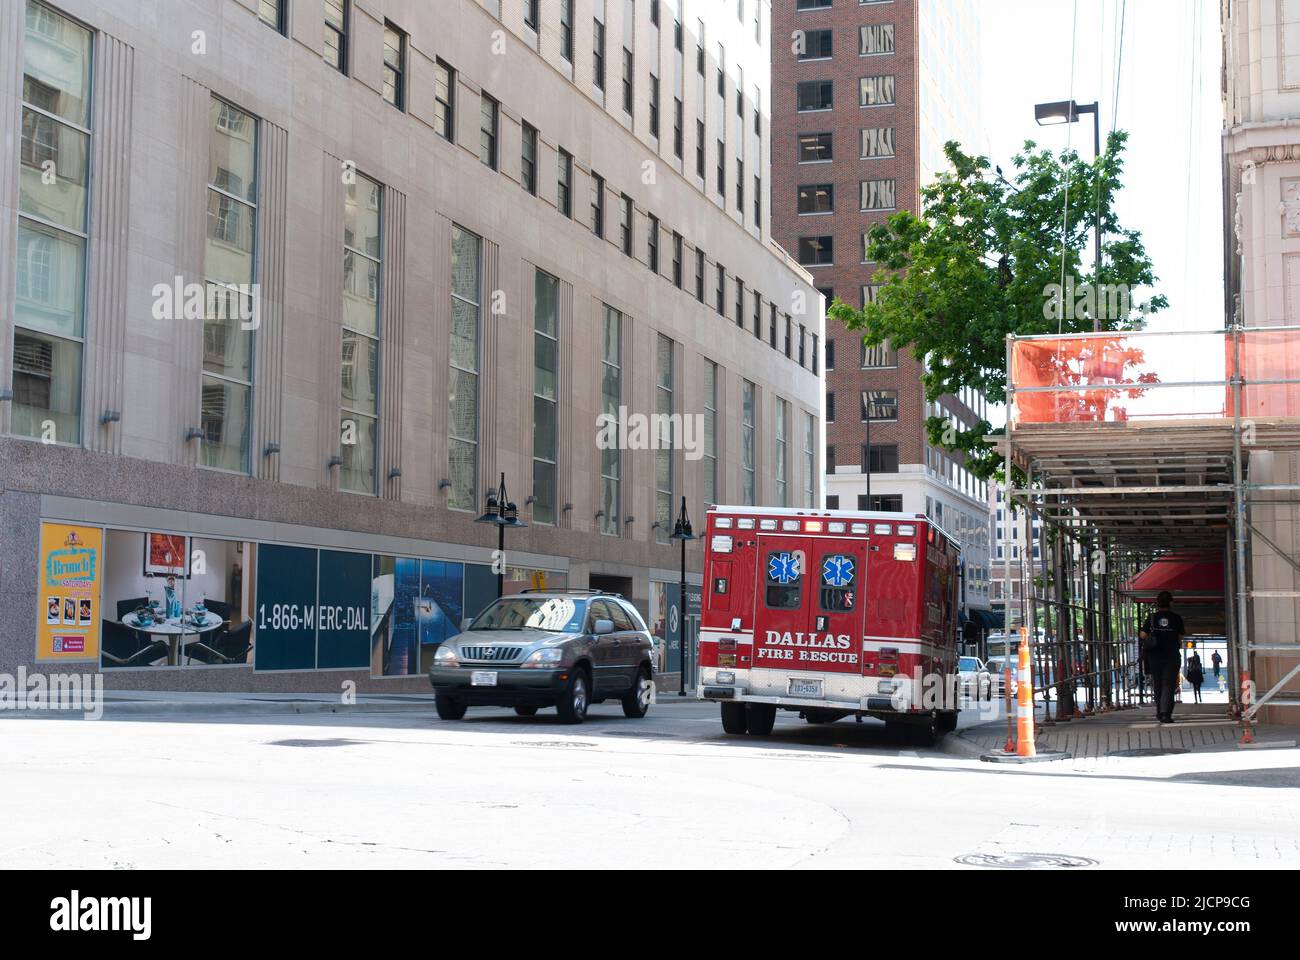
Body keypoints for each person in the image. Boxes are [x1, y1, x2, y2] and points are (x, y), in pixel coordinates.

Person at [1139, 591, 1185, 723]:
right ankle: (1166, 713)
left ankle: (1160, 712)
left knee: (1158, 684)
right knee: (1168, 684)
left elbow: (1142, 635)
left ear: (1157, 603)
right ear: (1171, 603)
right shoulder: (1176, 618)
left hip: (1154, 656)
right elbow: (1181, 636)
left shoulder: (1152, 618)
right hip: (1171, 656)